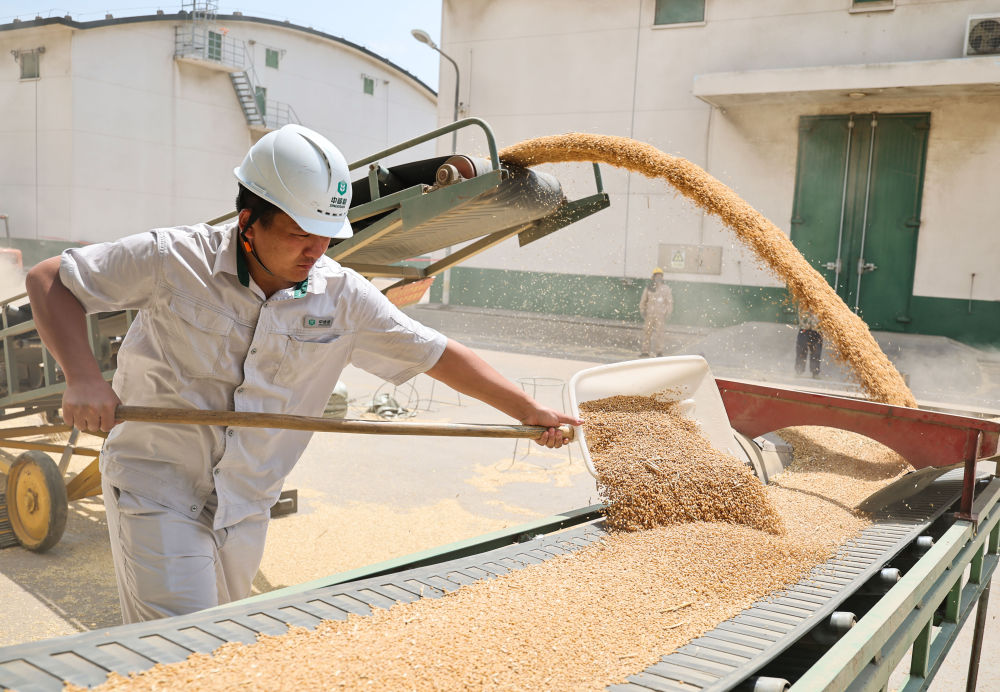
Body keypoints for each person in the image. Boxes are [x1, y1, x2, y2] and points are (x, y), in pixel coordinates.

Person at [25, 124, 580, 624]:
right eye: (299, 234)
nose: (317, 250)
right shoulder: (173, 259)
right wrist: (83, 378)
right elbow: (50, 280)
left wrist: (528, 410)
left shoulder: (342, 295)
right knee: (184, 647)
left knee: (223, 643)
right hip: (158, 488)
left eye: (326, 234)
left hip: (246, 503)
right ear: (248, 221)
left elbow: (434, 353)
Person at [638, 267, 673, 357]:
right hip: (649, 315)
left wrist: (668, 312)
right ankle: (645, 351)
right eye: (656, 276)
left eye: (660, 276)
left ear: (662, 277)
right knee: (647, 333)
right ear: (653, 277)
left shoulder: (666, 289)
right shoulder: (649, 288)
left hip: (660, 315)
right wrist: (642, 309)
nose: (658, 277)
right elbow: (643, 300)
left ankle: (659, 352)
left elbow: (669, 302)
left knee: (660, 334)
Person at [795, 306, 823, 378]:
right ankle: (799, 371)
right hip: (804, 328)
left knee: (816, 352)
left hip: (817, 329)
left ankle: (815, 373)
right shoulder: (804, 301)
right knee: (801, 351)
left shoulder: (823, 302)